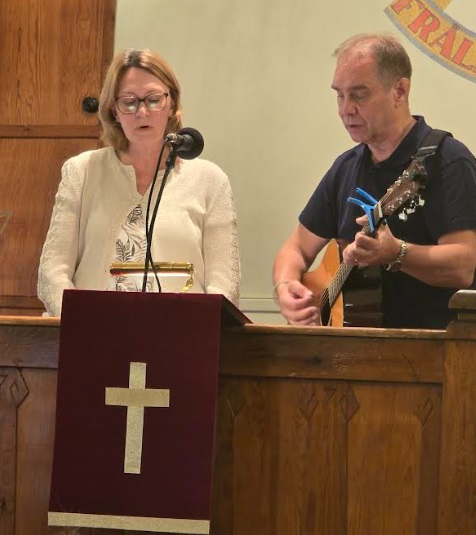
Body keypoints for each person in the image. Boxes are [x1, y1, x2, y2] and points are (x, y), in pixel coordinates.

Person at [273, 33, 476, 329]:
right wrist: (286, 287)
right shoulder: (345, 168)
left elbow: (463, 265)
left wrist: (396, 253)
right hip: (359, 357)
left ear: (400, 91)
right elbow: (296, 249)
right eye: (339, 94)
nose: (345, 109)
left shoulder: (448, 160)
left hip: (438, 355)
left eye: (359, 94)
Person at [38, 48, 240, 317]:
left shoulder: (210, 181)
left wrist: (196, 334)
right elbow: (52, 271)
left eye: (154, 100)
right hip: (95, 338)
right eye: (129, 102)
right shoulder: (81, 172)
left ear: (172, 105)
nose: (142, 112)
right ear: (113, 110)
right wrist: (81, 326)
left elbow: (225, 284)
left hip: (181, 341)